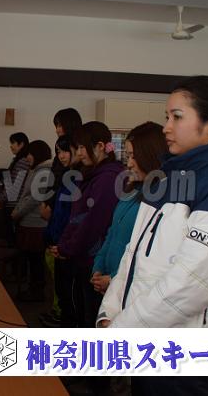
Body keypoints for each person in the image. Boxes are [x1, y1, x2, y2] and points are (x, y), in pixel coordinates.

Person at [97, 76, 208, 396]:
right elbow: (131, 257)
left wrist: (120, 333)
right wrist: (110, 315)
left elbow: (187, 286)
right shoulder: (165, 182)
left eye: (177, 117)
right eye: (167, 117)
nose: (166, 127)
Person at [50, 121, 123, 327]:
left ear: (100, 146)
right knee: (83, 313)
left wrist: (68, 247)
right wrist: (65, 245)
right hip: (84, 257)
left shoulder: (108, 178)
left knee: (90, 318)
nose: (79, 153)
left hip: (94, 261)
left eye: (82, 147)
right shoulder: (92, 174)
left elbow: (93, 222)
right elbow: (77, 216)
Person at [90, 122, 167, 295]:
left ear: (150, 156)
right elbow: (112, 232)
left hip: (131, 289)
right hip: (109, 280)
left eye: (134, 156)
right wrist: (98, 266)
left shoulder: (161, 200)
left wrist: (114, 279)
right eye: (128, 156)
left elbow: (148, 257)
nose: (129, 164)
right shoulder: (131, 190)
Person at [39, 135, 79, 327]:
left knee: (68, 290)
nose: (61, 156)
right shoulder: (66, 174)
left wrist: (63, 242)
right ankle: (62, 317)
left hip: (67, 242)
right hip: (58, 239)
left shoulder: (77, 177)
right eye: (58, 152)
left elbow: (72, 216)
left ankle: (66, 322)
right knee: (61, 287)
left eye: (65, 151)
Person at [11, 140, 53, 301]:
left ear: (37, 154)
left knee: (36, 260)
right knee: (31, 260)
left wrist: (17, 213)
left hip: (36, 223)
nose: (27, 157)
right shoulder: (36, 170)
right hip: (28, 221)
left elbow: (34, 198)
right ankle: (32, 290)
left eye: (29, 154)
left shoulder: (45, 172)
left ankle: (37, 293)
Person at [0, 132, 31, 246]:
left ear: (21, 144)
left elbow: (13, 186)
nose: (11, 146)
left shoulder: (22, 161)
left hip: (14, 203)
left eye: (13, 143)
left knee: (13, 239)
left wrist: (0, 200)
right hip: (15, 202)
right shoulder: (20, 160)